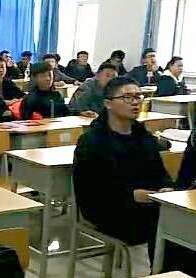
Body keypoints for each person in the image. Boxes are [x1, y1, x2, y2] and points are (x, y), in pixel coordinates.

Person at [74, 77, 174, 265]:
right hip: (108, 208)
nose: (135, 102)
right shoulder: (92, 141)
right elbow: (91, 190)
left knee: (180, 218)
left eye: (138, 97)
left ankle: (175, 274)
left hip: (148, 202)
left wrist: (166, 188)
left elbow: (160, 173)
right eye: (127, 97)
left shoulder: (143, 136)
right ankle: (163, 273)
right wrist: (132, 195)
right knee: (165, 222)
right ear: (108, 104)